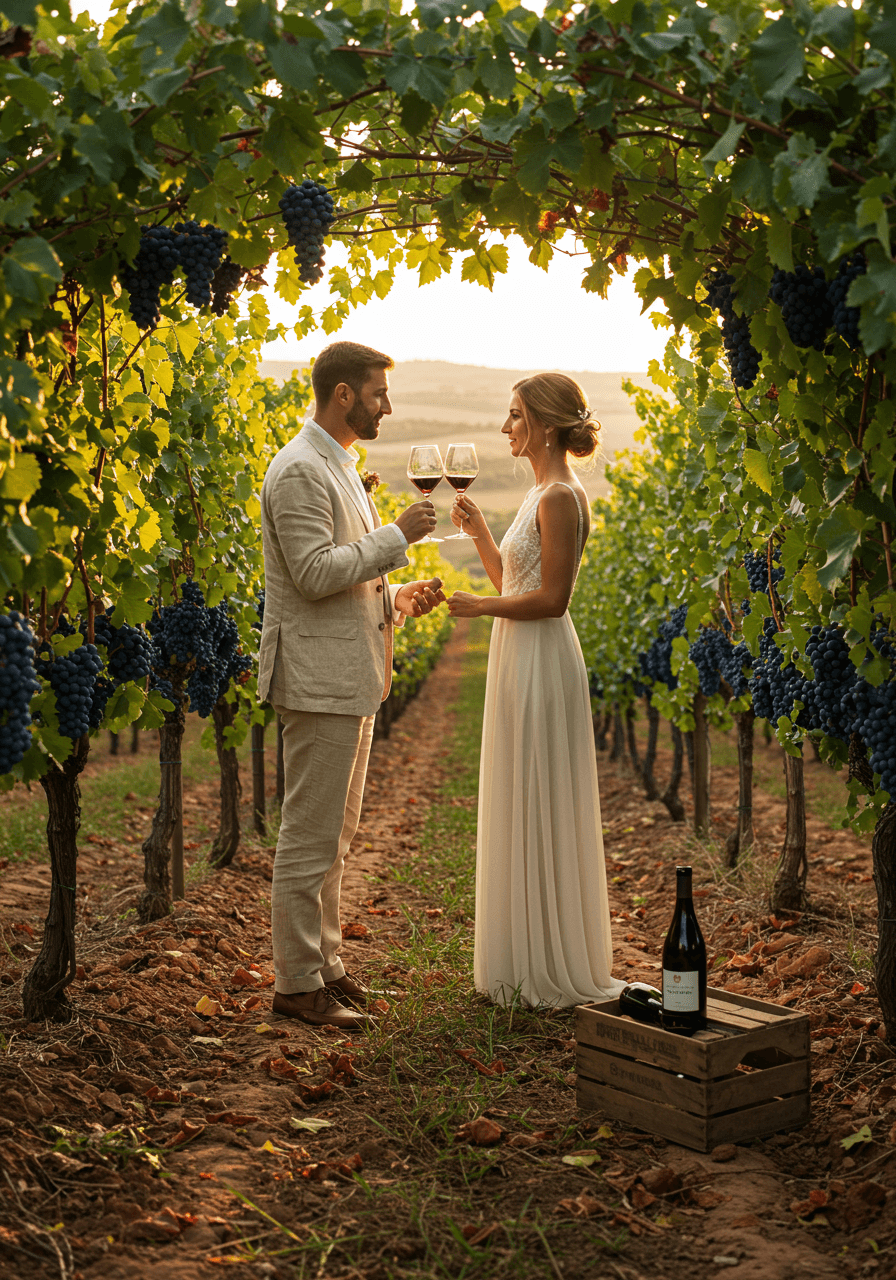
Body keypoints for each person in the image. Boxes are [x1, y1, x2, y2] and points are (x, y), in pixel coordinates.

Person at [258, 341, 446, 1030]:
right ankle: (296, 984)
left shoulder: (338, 465)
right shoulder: (300, 469)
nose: (386, 406)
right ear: (342, 394)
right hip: (317, 682)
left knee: (335, 837)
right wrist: (396, 536)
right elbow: (310, 573)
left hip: (347, 675)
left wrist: (394, 601)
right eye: (378, 393)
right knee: (308, 839)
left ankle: (326, 967)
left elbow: (341, 579)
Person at [447, 372, 622, 1008]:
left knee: (540, 790)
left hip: (542, 656)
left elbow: (551, 601)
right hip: (519, 653)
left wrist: (478, 607)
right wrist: (482, 538)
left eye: (516, 415)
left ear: (545, 425)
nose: (506, 427)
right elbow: (519, 577)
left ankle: (548, 960)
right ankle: (524, 953)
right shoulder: (539, 493)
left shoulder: (559, 498)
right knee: (523, 787)